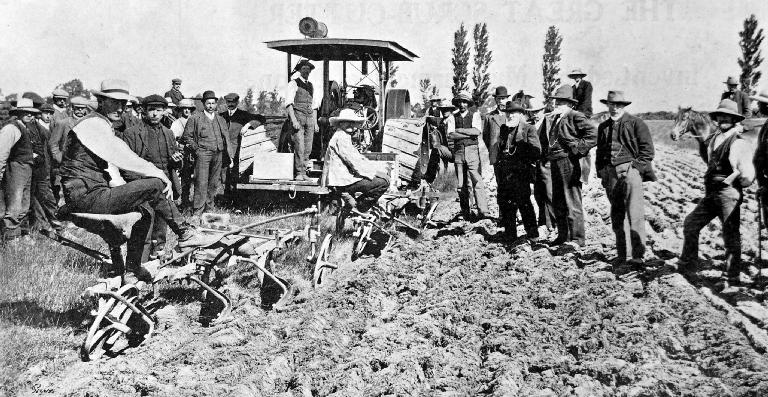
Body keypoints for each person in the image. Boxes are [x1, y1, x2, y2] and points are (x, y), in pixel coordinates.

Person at [58, 79, 203, 280]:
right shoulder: (93, 124)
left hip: (92, 194)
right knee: (154, 184)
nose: (120, 108)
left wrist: (132, 193)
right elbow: (122, 156)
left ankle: (132, 270)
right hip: (87, 197)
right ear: (101, 101)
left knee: (144, 212)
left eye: (123, 104)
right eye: (114, 102)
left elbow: (110, 170)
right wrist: (159, 174)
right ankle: (185, 234)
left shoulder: (101, 125)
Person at [678, 99, 755, 283]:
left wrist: (733, 186)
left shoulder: (739, 143)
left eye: (727, 117)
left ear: (734, 120)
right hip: (711, 194)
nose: (723, 120)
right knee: (691, 223)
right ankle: (689, 264)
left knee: (730, 234)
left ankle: (731, 277)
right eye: (720, 117)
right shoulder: (714, 139)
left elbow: (747, 176)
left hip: (728, 194)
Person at [119, 95, 204, 257]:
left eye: (159, 110)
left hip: (164, 186)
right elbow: (126, 165)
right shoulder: (131, 134)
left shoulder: (168, 133)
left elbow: (174, 165)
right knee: (144, 224)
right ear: (143, 111)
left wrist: (176, 161)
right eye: (151, 110)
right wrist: (137, 186)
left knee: (161, 224)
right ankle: (139, 263)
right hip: (142, 185)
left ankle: (157, 257)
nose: (155, 114)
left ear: (165, 111)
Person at [595, 91, 656, 267]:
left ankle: (637, 256)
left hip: (630, 171)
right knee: (617, 215)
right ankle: (623, 255)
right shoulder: (603, 126)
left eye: (618, 105)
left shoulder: (636, 123)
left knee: (635, 213)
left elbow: (648, 151)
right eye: (611, 105)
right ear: (607, 105)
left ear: (624, 106)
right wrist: (602, 172)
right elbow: (600, 152)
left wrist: (634, 169)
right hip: (611, 174)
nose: (614, 108)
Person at [538, 85, 598, 249]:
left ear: (570, 104)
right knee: (558, 201)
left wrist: (576, 150)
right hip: (555, 162)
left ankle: (578, 239)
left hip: (569, 163)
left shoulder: (575, 116)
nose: (558, 104)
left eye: (562, 102)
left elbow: (593, 135)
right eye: (557, 101)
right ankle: (563, 236)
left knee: (572, 200)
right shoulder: (555, 118)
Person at [325, 108, 389, 212]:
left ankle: (354, 205)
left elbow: (358, 158)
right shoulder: (341, 138)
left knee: (379, 179)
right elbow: (353, 162)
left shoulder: (343, 136)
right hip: (342, 181)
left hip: (344, 179)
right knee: (383, 183)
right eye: (347, 122)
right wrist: (375, 173)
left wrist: (375, 169)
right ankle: (359, 208)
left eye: (352, 122)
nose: (351, 125)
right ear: (340, 123)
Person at [495, 100, 542, 240]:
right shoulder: (504, 129)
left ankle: (533, 234)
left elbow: (536, 151)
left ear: (520, 114)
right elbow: (500, 150)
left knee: (524, 203)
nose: (510, 116)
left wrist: (522, 150)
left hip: (521, 173)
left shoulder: (528, 128)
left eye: (513, 113)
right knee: (506, 204)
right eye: (508, 113)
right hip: (505, 172)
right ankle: (510, 235)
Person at [180, 90, 231, 217]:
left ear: (216, 104)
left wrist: (228, 155)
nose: (211, 106)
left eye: (213, 103)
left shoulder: (220, 119)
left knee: (214, 183)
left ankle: (209, 209)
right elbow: (187, 137)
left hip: (218, 153)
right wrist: (196, 149)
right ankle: (198, 210)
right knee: (201, 182)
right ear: (203, 104)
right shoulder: (195, 118)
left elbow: (226, 138)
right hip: (203, 154)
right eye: (208, 103)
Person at [0, 99, 38, 242]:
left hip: (26, 169)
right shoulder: (11, 128)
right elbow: (2, 152)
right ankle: (10, 239)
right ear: (18, 112)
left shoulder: (25, 128)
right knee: (14, 205)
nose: (30, 115)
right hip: (16, 169)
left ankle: (21, 235)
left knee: (24, 204)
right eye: (26, 112)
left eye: (32, 113)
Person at [451, 90, 489, 220]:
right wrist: (468, 133)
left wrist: (460, 130)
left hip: (472, 151)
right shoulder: (452, 116)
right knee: (461, 185)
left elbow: (476, 132)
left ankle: (483, 211)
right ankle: (465, 212)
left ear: (468, 103)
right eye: (460, 102)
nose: (462, 104)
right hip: (459, 152)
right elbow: (451, 134)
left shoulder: (475, 115)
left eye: (465, 102)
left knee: (476, 180)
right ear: (457, 103)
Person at [283, 59, 321, 180]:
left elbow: (314, 106)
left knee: (308, 147)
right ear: (300, 70)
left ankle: (304, 173)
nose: (306, 71)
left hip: (309, 118)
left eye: (308, 69)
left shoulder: (311, 86)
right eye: (304, 69)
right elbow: (289, 104)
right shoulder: (293, 83)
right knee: (299, 146)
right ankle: (299, 173)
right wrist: (293, 120)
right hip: (298, 117)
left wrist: (315, 123)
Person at [220, 93, 256, 197]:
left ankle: (235, 200)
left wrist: (248, 125)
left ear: (237, 102)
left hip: (237, 151)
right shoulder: (221, 116)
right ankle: (225, 198)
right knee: (223, 175)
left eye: (233, 102)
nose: (230, 104)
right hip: (224, 150)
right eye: (228, 102)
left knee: (235, 176)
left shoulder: (243, 115)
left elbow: (260, 119)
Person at [171, 98, 197, 211]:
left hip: (195, 153)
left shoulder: (196, 120)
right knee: (185, 180)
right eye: (184, 109)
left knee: (198, 179)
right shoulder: (176, 123)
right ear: (181, 110)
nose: (186, 111)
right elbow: (173, 140)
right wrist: (180, 147)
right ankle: (185, 202)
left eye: (189, 109)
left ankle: (196, 203)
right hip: (183, 154)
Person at [423, 100, 456, 185]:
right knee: (436, 150)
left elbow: (451, 135)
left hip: (455, 150)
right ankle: (433, 177)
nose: (444, 112)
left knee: (436, 150)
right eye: (443, 110)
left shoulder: (452, 120)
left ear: (451, 110)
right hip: (448, 149)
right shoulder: (443, 122)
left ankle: (430, 176)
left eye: (447, 110)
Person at [483, 86, 511, 168]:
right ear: (495, 99)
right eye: (499, 98)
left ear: (507, 99)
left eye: (503, 98)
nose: (501, 101)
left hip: (510, 153)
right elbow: (486, 136)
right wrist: (492, 148)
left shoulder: (512, 115)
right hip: (496, 154)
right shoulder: (489, 117)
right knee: (499, 179)